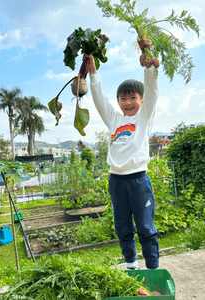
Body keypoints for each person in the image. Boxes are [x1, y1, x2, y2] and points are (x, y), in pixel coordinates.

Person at [85, 39, 159, 270]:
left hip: (138, 180)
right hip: (116, 181)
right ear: (118, 101)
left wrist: (149, 67)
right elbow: (98, 100)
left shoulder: (144, 117)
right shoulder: (114, 119)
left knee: (146, 227)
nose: (128, 102)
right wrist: (93, 73)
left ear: (142, 100)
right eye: (123, 98)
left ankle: (153, 268)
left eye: (133, 97)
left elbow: (153, 90)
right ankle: (131, 264)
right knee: (122, 227)